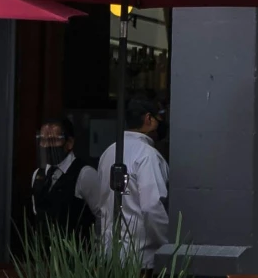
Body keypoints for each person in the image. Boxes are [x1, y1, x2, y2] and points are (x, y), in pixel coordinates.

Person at [95, 96, 170, 264]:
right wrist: (167, 244)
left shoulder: (108, 153)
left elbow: (100, 206)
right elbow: (152, 207)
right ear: (148, 119)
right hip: (141, 260)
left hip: (108, 256)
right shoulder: (148, 155)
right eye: (160, 119)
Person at [28, 115, 99, 236]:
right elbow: (38, 215)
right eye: (43, 140)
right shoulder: (38, 175)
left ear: (69, 143)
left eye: (53, 140)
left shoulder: (85, 174)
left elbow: (103, 215)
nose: (46, 146)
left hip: (76, 251)